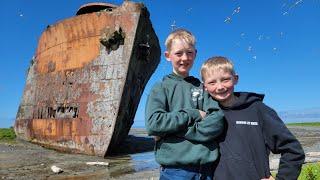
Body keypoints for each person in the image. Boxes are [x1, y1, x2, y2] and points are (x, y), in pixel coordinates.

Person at [200, 56, 305, 180]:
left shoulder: (258, 110)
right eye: (212, 82)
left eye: (225, 79)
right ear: (204, 87)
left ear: (235, 79)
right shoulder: (206, 114)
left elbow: (293, 150)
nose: (220, 87)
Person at [145, 29, 224, 180]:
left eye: (189, 53)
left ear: (195, 54)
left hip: (208, 170)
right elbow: (154, 124)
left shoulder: (203, 87)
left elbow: (217, 121)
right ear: (168, 56)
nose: (185, 58)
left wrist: (175, 131)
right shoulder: (160, 88)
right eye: (179, 53)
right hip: (175, 172)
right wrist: (193, 114)